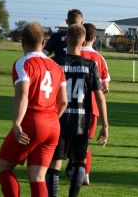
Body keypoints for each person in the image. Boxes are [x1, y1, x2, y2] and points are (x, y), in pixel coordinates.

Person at [0, 22, 68, 197]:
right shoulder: (57, 67)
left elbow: (22, 94)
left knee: (3, 167)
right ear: (43, 43)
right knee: (38, 177)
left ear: (22, 42)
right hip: (53, 126)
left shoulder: (23, 64)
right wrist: (51, 120)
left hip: (32, 122)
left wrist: (17, 123)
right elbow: (64, 102)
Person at [46, 24, 109, 197]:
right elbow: (100, 96)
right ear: (84, 42)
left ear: (65, 40)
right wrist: (105, 124)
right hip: (81, 121)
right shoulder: (90, 65)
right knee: (79, 160)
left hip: (58, 120)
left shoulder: (54, 63)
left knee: (55, 163)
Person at [64, 22, 111, 185]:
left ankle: (64, 166)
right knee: (83, 142)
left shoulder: (71, 53)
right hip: (92, 109)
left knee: (65, 139)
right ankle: (84, 175)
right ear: (95, 38)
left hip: (68, 104)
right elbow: (105, 86)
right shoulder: (99, 58)